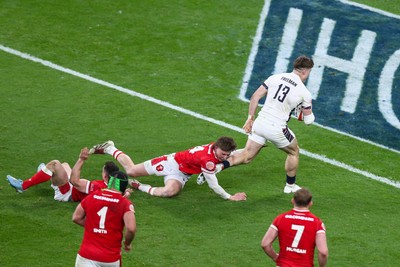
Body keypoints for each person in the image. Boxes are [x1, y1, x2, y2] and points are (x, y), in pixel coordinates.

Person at [210, 55, 316, 193]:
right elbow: (308, 121)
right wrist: (304, 113)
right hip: (277, 128)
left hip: (259, 123)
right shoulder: (304, 93)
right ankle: (290, 186)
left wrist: (250, 118)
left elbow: (255, 97)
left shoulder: (275, 78)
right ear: (305, 71)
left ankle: (216, 167)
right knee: (294, 152)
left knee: (247, 156)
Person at [89, 137, 247, 201]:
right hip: (170, 163)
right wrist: (229, 197)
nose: (225, 157)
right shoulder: (206, 160)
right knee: (130, 170)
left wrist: (248, 150)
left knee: (169, 192)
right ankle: (110, 148)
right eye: (223, 154)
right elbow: (214, 185)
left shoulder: (218, 149)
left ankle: (139, 186)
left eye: (227, 155)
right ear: (216, 148)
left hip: (183, 173)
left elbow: (234, 153)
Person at [72, 170, 136, 267]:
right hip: (111, 259)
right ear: (124, 187)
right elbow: (131, 229)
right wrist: (127, 244)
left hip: (87, 256)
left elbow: (76, 217)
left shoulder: (92, 196)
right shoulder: (125, 203)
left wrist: (93, 226)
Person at [6, 148, 120, 202]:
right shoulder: (114, 188)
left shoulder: (96, 185)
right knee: (64, 165)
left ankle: (23, 186)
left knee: (55, 164)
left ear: (105, 175)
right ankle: (45, 172)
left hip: (66, 192)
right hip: (72, 188)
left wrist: (81, 160)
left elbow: (74, 182)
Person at [261, 187, 328, 267]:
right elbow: (323, 252)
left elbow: (265, 244)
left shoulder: (280, 219)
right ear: (310, 203)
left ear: (292, 201)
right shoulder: (317, 223)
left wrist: (275, 257)